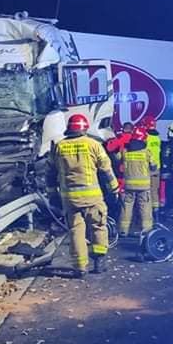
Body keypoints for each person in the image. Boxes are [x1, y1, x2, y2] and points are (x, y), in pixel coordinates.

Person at [46, 114, 118, 277]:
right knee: (98, 226)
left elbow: (50, 172)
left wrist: (52, 195)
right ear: (85, 128)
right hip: (93, 198)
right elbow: (106, 169)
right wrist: (114, 189)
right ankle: (99, 262)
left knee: (76, 230)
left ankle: (80, 267)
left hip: (70, 198)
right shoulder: (93, 144)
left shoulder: (59, 146)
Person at [118, 125, 157, 240]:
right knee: (145, 208)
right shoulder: (147, 152)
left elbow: (117, 159)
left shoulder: (125, 151)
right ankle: (146, 231)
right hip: (144, 186)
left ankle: (123, 231)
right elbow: (154, 166)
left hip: (128, 185)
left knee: (126, 208)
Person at [142, 116, 163, 220]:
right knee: (155, 191)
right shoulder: (157, 137)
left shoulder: (146, 137)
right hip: (157, 168)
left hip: (147, 168)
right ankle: (157, 215)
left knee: (146, 191)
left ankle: (147, 215)